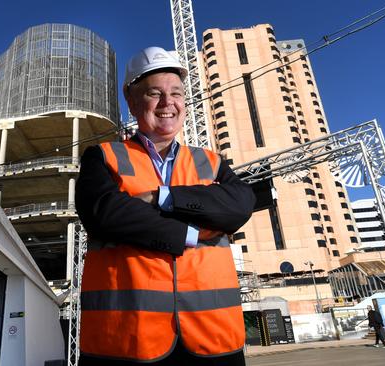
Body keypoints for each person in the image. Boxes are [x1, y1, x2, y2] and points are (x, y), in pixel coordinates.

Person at [75, 46, 256, 365]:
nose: (167, 103)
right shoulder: (102, 157)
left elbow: (239, 206)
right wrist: (192, 233)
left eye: (176, 93)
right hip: (127, 342)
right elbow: (105, 215)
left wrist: (162, 198)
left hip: (213, 339)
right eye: (154, 93)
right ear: (131, 101)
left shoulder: (211, 162)